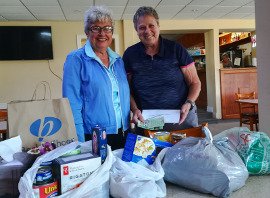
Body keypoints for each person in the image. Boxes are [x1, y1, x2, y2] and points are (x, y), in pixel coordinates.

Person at [62, 6, 130, 150]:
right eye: (96, 28)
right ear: (87, 32)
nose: (102, 33)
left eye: (107, 28)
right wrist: (79, 142)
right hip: (94, 135)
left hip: (123, 132)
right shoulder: (76, 59)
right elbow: (72, 104)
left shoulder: (118, 61)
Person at [123, 6, 201, 131]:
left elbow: (195, 82)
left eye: (151, 25)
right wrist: (135, 109)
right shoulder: (130, 55)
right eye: (142, 27)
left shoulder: (176, 49)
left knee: (185, 150)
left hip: (181, 117)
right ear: (136, 31)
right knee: (150, 150)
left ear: (158, 26)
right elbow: (126, 89)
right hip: (147, 120)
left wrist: (189, 102)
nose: (147, 31)